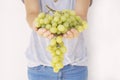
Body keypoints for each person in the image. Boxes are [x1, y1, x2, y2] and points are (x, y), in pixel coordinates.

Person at [22, 0, 92, 80]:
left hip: (75, 66)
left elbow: (81, 15)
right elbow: (32, 13)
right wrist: (36, 24)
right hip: (39, 67)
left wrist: (77, 26)